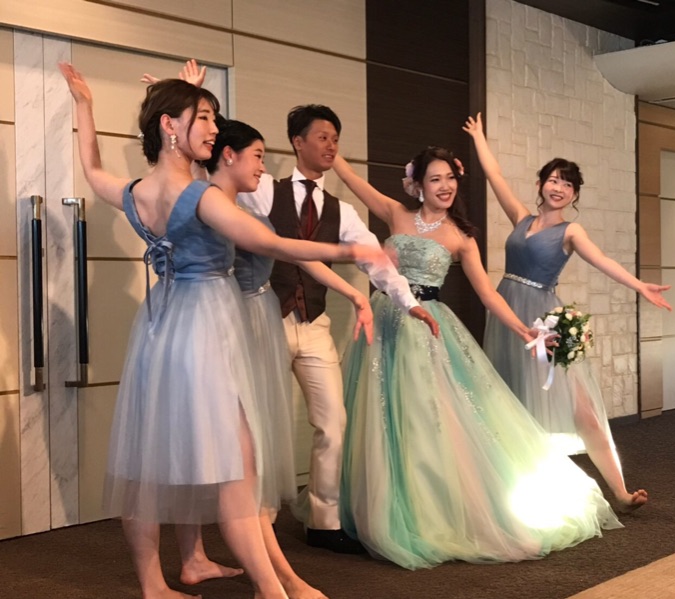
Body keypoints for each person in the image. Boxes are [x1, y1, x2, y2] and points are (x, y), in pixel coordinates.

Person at [59, 63, 382, 599]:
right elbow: (271, 244)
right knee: (236, 464)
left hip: (160, 325)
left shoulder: (137, 192)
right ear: (170, 126)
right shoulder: (202, 197)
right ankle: (272, 588)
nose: (213, 128)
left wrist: (85, 105)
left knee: (153, 455)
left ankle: (157, 584)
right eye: (204, 118)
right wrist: (350, 250)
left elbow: (92, 170)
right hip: (205, 325)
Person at [332, 146, 622, 570]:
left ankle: (424, 508)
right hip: (382, 321)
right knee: (373, 414)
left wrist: (523, 329)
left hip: (424, 328)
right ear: (418, 184)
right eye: (435, 179)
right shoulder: (395, 213)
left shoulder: (461, 236)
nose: (445, 186)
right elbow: (350, 178)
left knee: (423, 415)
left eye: (450, 178)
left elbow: (488, 294)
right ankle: (369, 502)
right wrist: (329, 150)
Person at [174, 117, 376, 597]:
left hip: (275, 322)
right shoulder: (216, 201)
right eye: (258, 156)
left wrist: (355, 292)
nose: (263, 166)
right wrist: (182, 112)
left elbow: (296, 254)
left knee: (302, 428)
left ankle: (280, 561)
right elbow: (282, 245)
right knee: (240, 445)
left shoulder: (243, 201)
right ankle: (271, 572)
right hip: (241, 325)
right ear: (229, 155)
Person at [238, 105, 438, 554]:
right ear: (298, 142)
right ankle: (258, 521)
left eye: (335, 139)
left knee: (333, 421)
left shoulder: (341, 210)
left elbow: (375, 260)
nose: (331, 146)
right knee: (262, 425)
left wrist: (409, 303)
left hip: (314, 324)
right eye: (322, 137)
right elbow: (219, 190)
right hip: (266, 320)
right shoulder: (263, 189)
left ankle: (324, 523)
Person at [464, 112, 672, 511]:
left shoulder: (571, 231)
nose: (559, 187)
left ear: (575, 196)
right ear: (541, 184)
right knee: (512, 402)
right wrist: (478, 138)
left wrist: (639, 285)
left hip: (543, 321)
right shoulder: (521, 218)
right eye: (554, 180)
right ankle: (509, 493)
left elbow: (603, 261)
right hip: (507, 315)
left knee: (580, 407)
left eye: (568, 184)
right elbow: (496, 177)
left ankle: (621, 491)